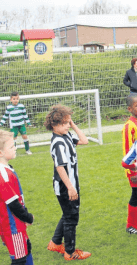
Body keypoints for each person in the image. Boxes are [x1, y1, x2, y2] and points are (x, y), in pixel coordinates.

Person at [45, 105, 91, 261]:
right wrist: (70, 188)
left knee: (67, 214)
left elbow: (84, 141)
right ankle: (70, 252)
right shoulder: (58, 142)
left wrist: (72, 124)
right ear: (54, 125)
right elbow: (60, 167)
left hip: (72, 184)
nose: (67, 125)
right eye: (64, 123)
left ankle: (55, 243)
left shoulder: (67, 135)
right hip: (66, 186)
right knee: (72, 218)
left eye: (68, 122)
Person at [0, 129, 34, 265]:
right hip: (12, 225)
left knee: (26, 248)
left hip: (16, 222)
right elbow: (13, 205)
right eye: (12, 147)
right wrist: (27, 217)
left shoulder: (5, 168)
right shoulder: (3, 176)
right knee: (19, 259)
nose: (15, 148)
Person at [121, 93, 137, 235]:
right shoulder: (129, 126)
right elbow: (128, 152)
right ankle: (131, 225)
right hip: (135, 170)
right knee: (136, 195)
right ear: (130, 109)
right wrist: (133, 170)